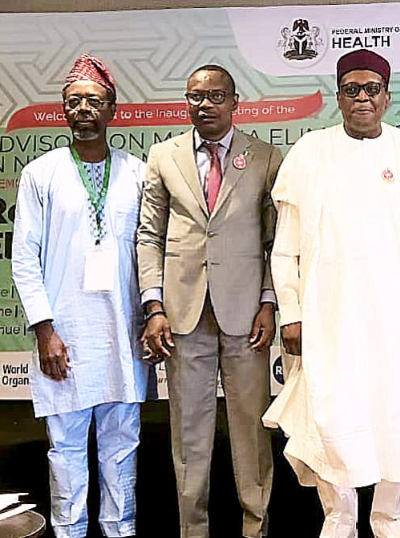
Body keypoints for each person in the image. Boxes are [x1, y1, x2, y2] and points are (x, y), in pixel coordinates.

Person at [262, 49, 400, 538]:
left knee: (399, 409)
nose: (363, 98)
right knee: (333, 408)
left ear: (387, 97)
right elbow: (284, 249)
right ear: (339, 97)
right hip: (331, 317)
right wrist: (290, 312)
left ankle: (391, 518)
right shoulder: (309, 153)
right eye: (352, 89)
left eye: (372, 89)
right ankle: (340, 518)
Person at [137, 64, 281, 538]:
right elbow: (148, 235)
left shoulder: (263, 157)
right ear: (187, 101)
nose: (205, 105)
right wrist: (154, 307)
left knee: (251, 432)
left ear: (235, 101)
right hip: (183, 316)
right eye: (196, 97)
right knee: (189, 434)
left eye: (216, 96)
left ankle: (255, 527)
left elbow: (274, 240)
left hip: (246, 316)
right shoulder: (164, 156)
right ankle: (192, 530)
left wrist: (268, 301)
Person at [11, 54, 151, 538]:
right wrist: (44, 329)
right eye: (74, 101)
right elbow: (24, 257)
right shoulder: (40, 174)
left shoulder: (138, 173)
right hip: (64, 333)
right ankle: (69, 533)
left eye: (94, 100)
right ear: (63, 111)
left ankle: (120, 531)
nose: (83, 108)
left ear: (112, 109)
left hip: (121, 331)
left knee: (121, 445)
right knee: (65, 449)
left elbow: (152, 252)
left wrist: (152, 313)